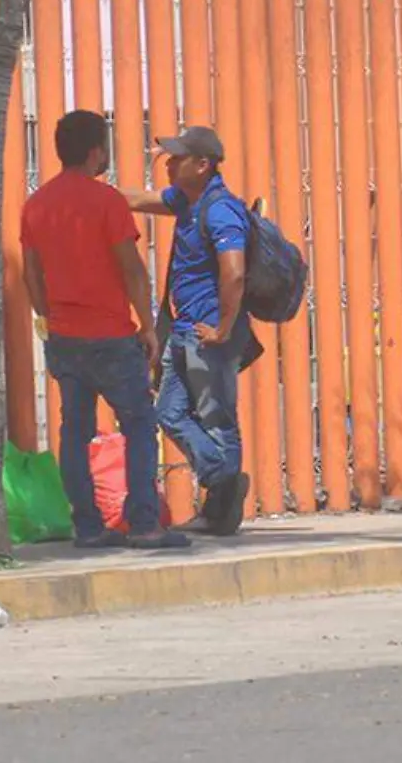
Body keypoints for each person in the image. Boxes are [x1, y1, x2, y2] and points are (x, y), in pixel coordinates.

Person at [21, 110, 189, 550]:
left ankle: (88, 527)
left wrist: (47, 317)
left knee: (74, 429)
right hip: (111, 336)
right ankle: (145, 524)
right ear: (96, 151)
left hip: (63, 334)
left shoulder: (36, 205)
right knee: (138, 422)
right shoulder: (107, 202)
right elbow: (132, 270)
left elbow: (31, 274)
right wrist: (149, 326)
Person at [125, 125, 252, 537]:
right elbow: (140, 199)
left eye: (178, 157)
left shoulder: (220, 209)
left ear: (202, 165)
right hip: (184, 331)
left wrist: (222, 327)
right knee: (169, 413)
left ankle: (221, 508)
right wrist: (89, 193)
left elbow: (233, 273)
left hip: (209, 333)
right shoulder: (186, 201)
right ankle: (224, 481)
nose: (169, 163)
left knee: (217, 418)